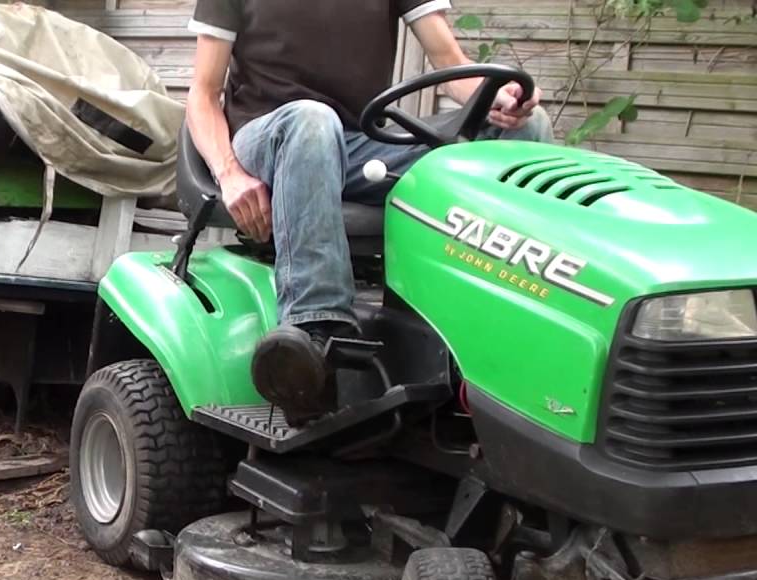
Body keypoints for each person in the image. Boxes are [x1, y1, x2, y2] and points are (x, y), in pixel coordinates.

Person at [186, 0, 553, 424]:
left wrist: (501, 99)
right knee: (312, 119)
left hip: (355, 143)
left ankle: (508, 326)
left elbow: (450, 61)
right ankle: (315, 338)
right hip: (267, 134)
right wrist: (229, 174)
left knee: (529, 125)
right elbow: (203, 92)